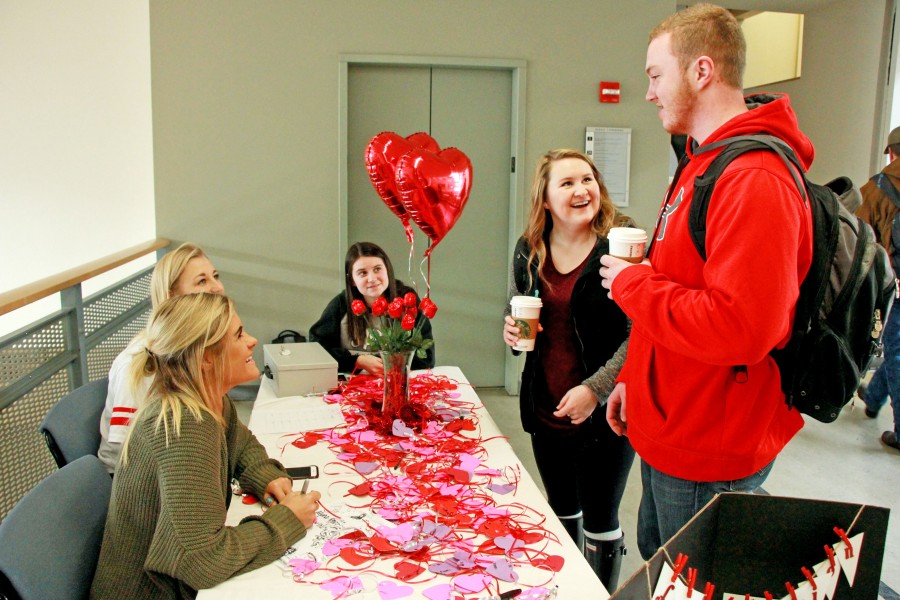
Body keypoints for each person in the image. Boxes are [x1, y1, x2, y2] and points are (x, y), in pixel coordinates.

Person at [599, 3, 814, 560]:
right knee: (659, 570)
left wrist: (630, 285)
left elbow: (741, 327)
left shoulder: (754, 179)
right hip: (675, 423)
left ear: (701, 71)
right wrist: (637, 383)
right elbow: (680, 283)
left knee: (686, 585)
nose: (648, 92)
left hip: (708, 445)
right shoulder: (703, 162)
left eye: (655, 75)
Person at [90, 293, 321, 599]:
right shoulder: (185, 427)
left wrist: (268, 477)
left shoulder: (205, 399)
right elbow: (200, 560)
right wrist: (286, 521)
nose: (251, 341)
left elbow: (243, 445)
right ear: (206, 358)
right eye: (238, 335)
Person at [502, 149, 636, 589]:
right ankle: (568, 589)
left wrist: (595, 389)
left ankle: (600, 593)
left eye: (588, 180)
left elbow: (644, 332)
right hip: (547, 405)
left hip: (606, 412)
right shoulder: (530, 248)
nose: (582, 190)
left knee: (600, 517)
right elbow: (519, 304)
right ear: (545, 199)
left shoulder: (622, 247)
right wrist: (511, 325)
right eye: (567, 183)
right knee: (561, 511)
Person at [98, 242, 225, 473]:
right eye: (202, 281)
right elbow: (125, 449)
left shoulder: (193, 347)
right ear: (171, 296)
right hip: (133, 481)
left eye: (215, 276)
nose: (218, 288)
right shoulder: (140, 361)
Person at [309, 241, 435, 375]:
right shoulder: (342, 303)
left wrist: (387, 362)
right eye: (362, 273)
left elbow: (427, 358)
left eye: (377, 269)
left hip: (397, 382)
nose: (372, 278)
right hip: (353, 386)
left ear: (387, 270)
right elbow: (317, 348)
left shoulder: (406, 299)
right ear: (352, 280)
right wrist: (357, 361)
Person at [856, 126, 900, 452]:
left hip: (896, 287)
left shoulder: (876, 189)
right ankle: (872, 396)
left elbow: (858, 242)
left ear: (891, 153)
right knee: (896, 346)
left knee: (897, 352)